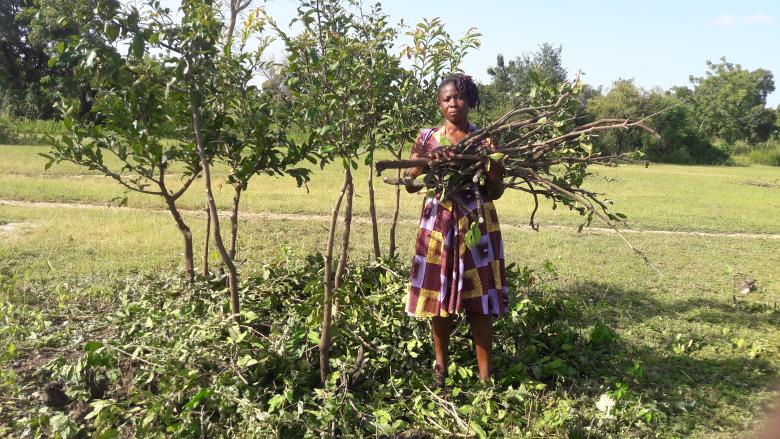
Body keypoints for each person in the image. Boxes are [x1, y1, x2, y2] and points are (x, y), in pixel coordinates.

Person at [404, 73, 509, 385]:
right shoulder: (427, 138)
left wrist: (494, 165)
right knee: (439, 301)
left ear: (470, 101)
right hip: (439, 225)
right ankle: (440, 369)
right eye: (447, 98)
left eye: (459, 97)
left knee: (480, 304)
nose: (453, 103)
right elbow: (410, 183)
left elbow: (496, 191)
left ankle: (485, 379)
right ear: (439, 103)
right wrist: (427, 162)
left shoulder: (484, 139)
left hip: (476, 225)